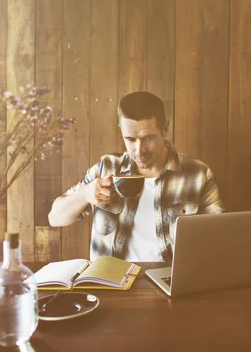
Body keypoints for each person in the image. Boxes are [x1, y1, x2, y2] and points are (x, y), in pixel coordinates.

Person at [48, 91, 224, 262]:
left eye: (148, 138)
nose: (139, 150)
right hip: (110, 283)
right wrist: (85, 195)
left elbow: (220, 236)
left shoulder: (197, 174)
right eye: (130, 139)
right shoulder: (107, 168)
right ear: (121, 131)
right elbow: (55, 218)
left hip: (171, 282)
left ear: (165, 129)